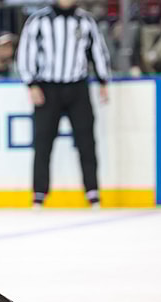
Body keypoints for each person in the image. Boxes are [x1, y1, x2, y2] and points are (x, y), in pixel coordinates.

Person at [16, 0, 111, 208]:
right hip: (47, 88)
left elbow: (98, 51)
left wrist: (103, 80)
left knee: (87, 140)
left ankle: (92, 192)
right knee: (43, 142)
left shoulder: (86, 20)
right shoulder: (38, 20)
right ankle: (39, 194)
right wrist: (31, 83)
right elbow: (26, 52)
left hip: (78, 87)